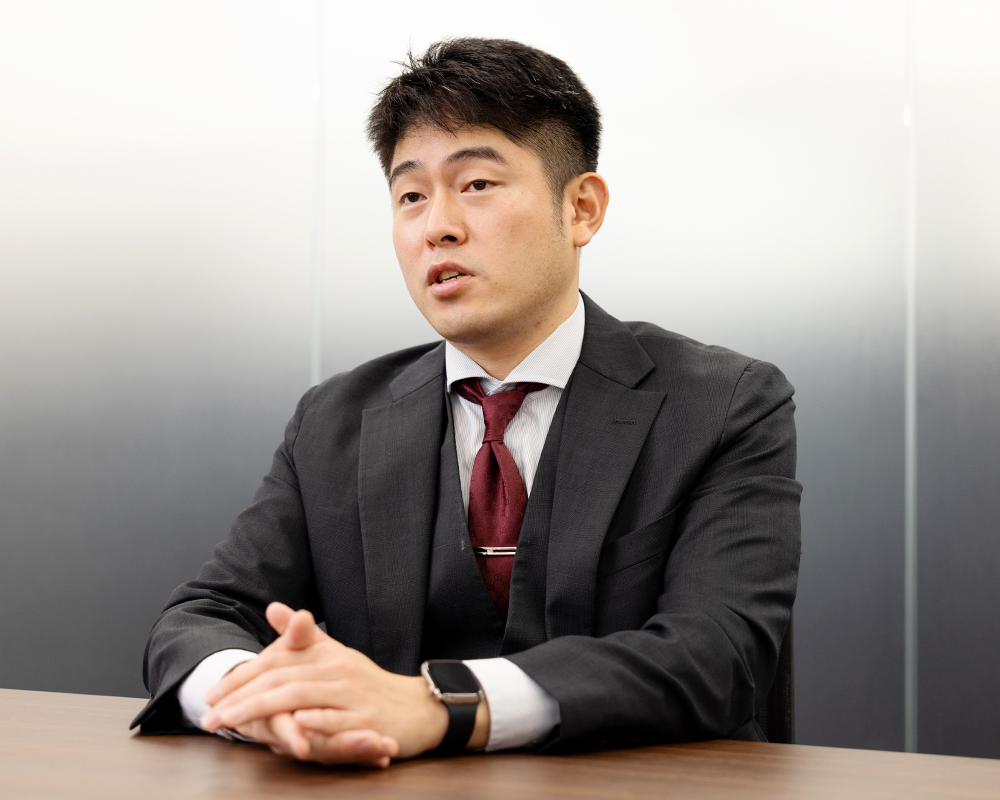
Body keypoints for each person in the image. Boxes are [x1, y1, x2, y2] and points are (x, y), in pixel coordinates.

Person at [131, 37, 801, 768]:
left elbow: (718, 654)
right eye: (411, 196)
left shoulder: (723, 403)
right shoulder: (334, 421)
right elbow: (202, 616)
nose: (437, 226)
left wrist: (440, 706)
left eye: (476, 184)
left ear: (580, 208)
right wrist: (262, 698)